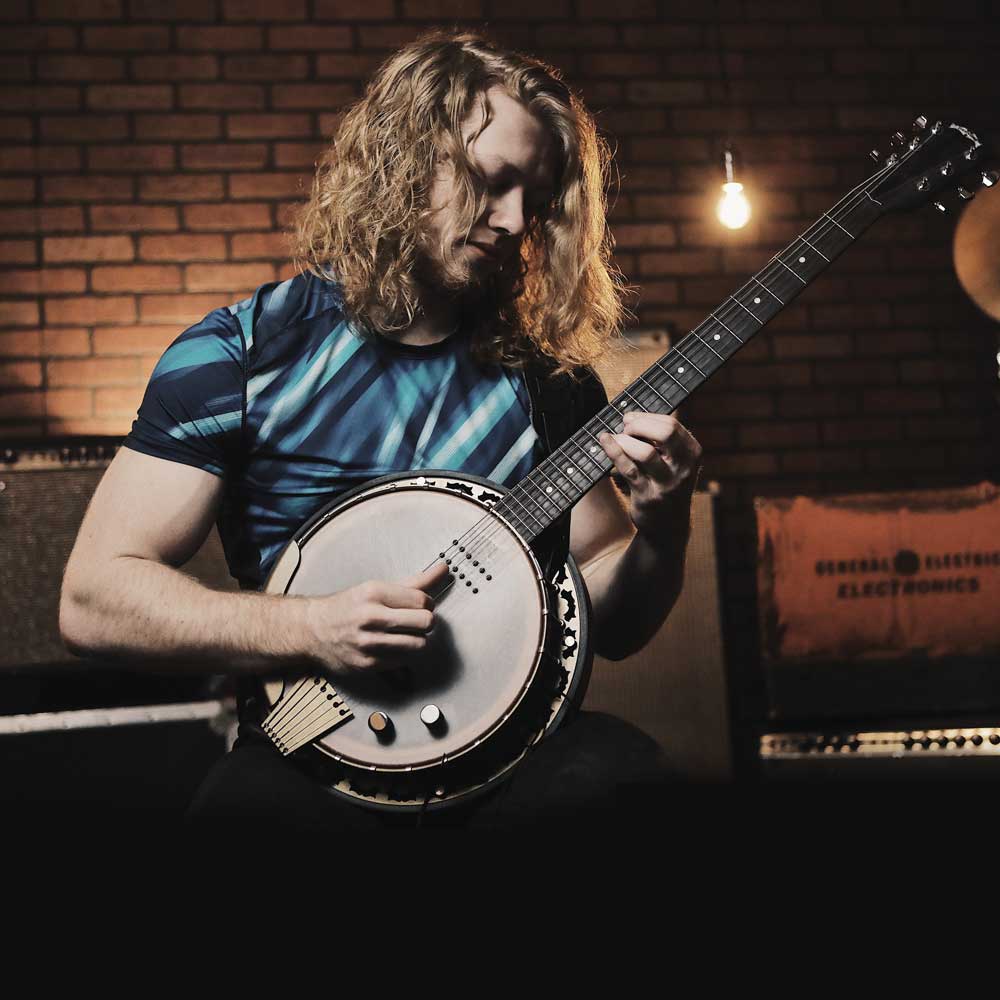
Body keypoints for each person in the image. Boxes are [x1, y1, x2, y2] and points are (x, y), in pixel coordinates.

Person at [59, 29, 702, 832]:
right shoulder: (239, 356)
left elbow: (619, 620)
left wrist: (666, 522)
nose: (511, 222)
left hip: (516, 772)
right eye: (490, 182)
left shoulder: (547, 383)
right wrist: (312, 627)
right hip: (314, 756)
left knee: (635, 789)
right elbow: (93, 598)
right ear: (408, 156)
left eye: (532, 203)